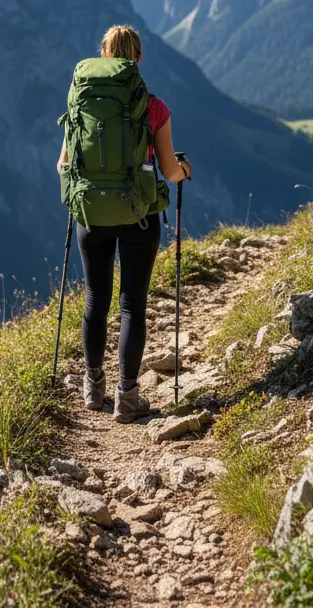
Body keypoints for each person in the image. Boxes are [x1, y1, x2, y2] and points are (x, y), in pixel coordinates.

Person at [57, 25, 192, 422]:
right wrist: (185, 169)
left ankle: (93, 387)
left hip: (91, 216)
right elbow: (168, 170)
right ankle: (127, 397)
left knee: (95, 300)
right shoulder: (154, 107)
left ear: (103, 55)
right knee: (132, 303)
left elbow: (63, 165)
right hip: (139, 216)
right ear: (138, 58)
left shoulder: (80, 100)